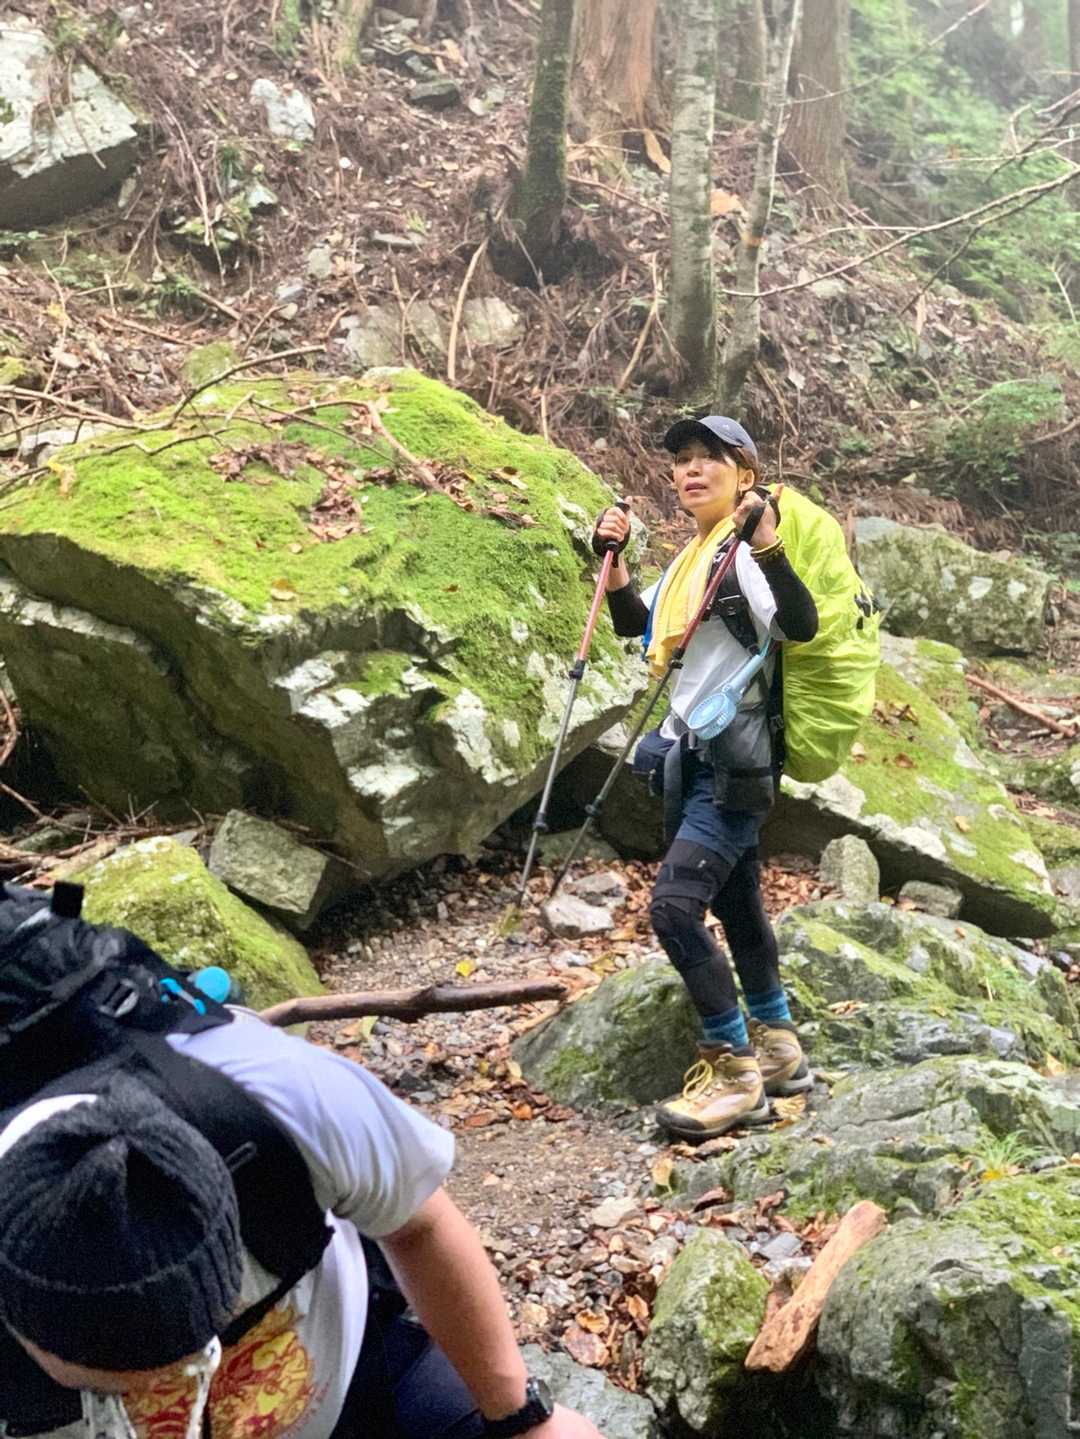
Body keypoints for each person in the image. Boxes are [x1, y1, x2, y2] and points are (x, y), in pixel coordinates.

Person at [0, 895, 607, 1439]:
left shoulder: (271, 1094)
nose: (178, 1386)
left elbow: (420, 1225)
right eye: (117, 1385)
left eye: (197, 1350)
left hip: (360, 1376)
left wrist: (523, 1418)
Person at [593, 415, 819, 1141]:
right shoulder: (692, 557)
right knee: (739, 902)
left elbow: (801, 623)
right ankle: (780, 1049)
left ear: (744, 476)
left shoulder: (741, 555)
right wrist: (615, 560)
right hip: (694, 758)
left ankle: (736, 1077)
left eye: (709, 459)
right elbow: (635, 623)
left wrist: (769, 544)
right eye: (682, 460)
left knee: (674, 910)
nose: (691, 470)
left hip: (734, 765)